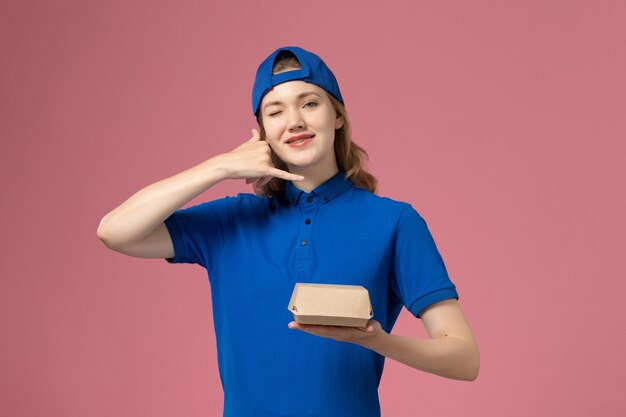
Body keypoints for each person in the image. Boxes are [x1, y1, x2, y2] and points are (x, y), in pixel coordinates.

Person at [97, 46, 479, 417]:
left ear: (338, 116)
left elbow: (464, 358)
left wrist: (376, 341)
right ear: (263, 131)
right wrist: (218, 167)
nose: (294, 121)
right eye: (275, 111)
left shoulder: (394, 222)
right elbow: (116, 231)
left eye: (310, 103)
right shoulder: (231, 221)